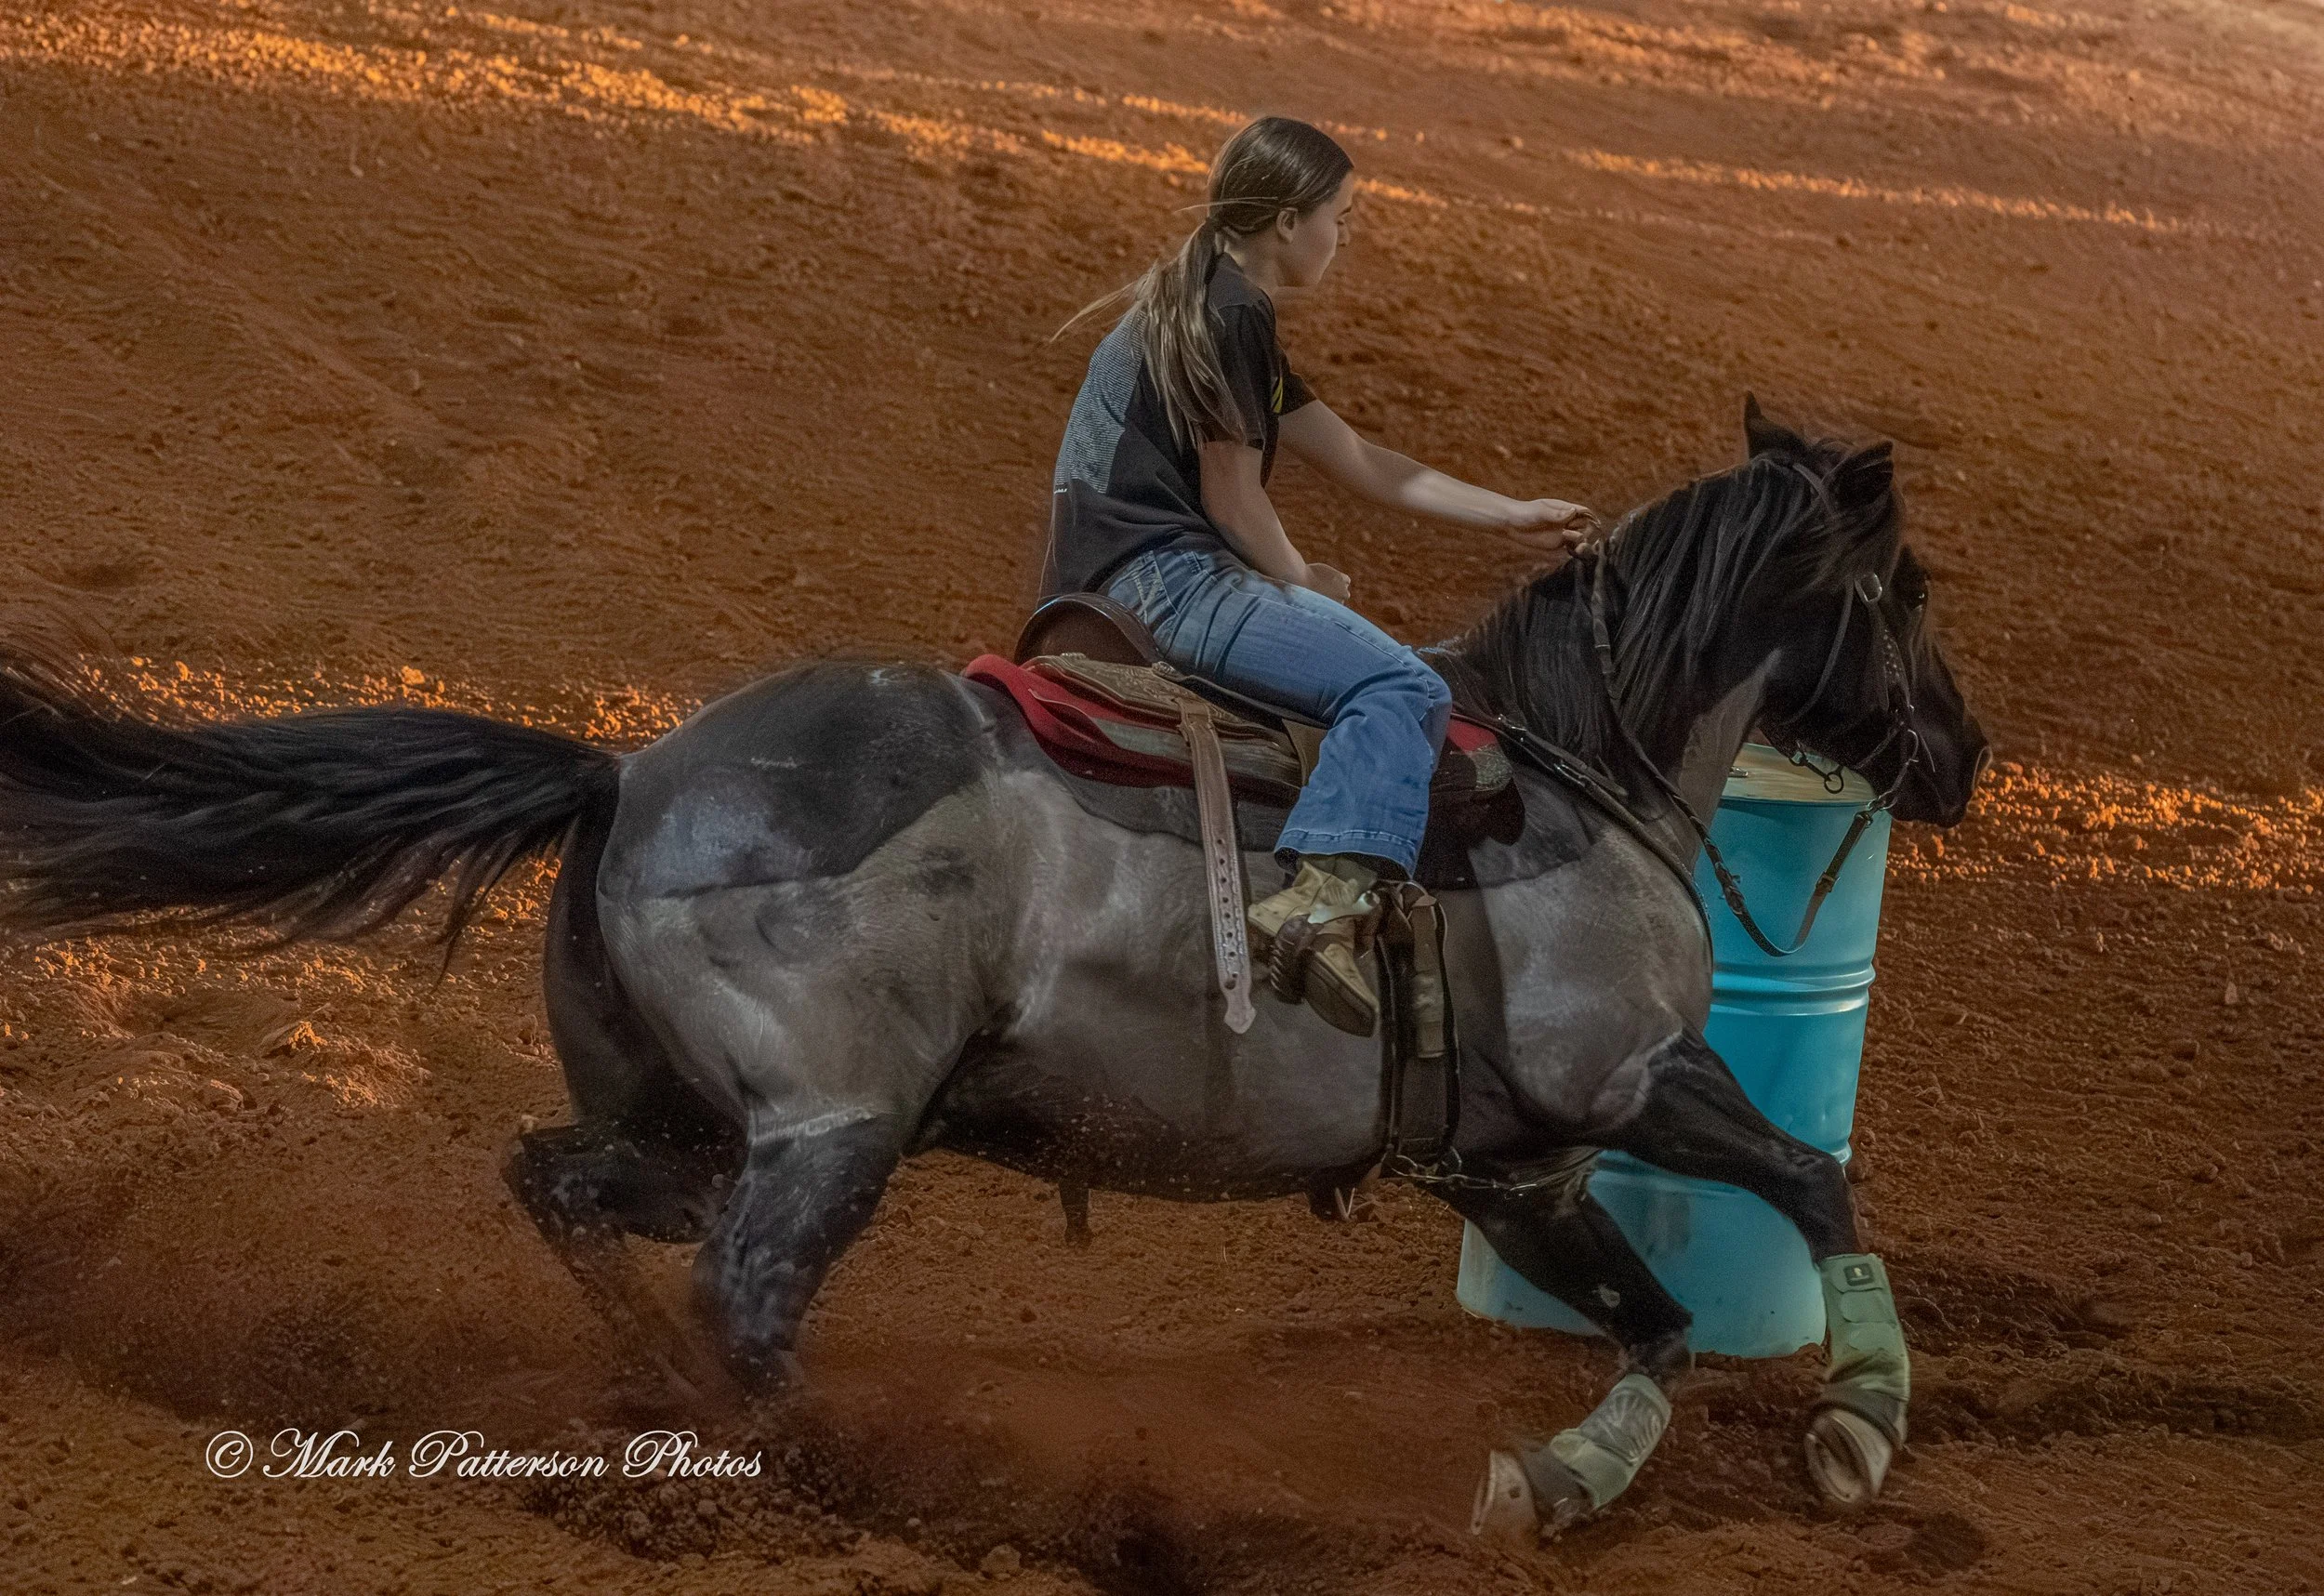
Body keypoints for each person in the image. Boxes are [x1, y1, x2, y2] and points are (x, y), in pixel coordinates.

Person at [1043, 116, 1596, 1039]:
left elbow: (1361, 458)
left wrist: (1511, 513)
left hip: (1108, 581)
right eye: (1344, 215)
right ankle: (1315, 903)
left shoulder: (1205, 302)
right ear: (1287, 223)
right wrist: (1300, 582)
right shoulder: (1232, 313)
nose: (1350, 234)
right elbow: (1230, 499)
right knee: (1399, 682)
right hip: (1167, 579)